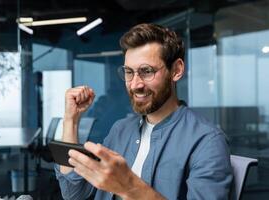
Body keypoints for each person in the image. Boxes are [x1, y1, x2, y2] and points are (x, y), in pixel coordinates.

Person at [54, 23, 233, 200]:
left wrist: (129, 187)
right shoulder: (120, 130)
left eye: (147, 71)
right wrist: (72, 119)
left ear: (176, 70)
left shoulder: (206, 141)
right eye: (129, 72)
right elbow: (73, 193)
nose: (135, 85)